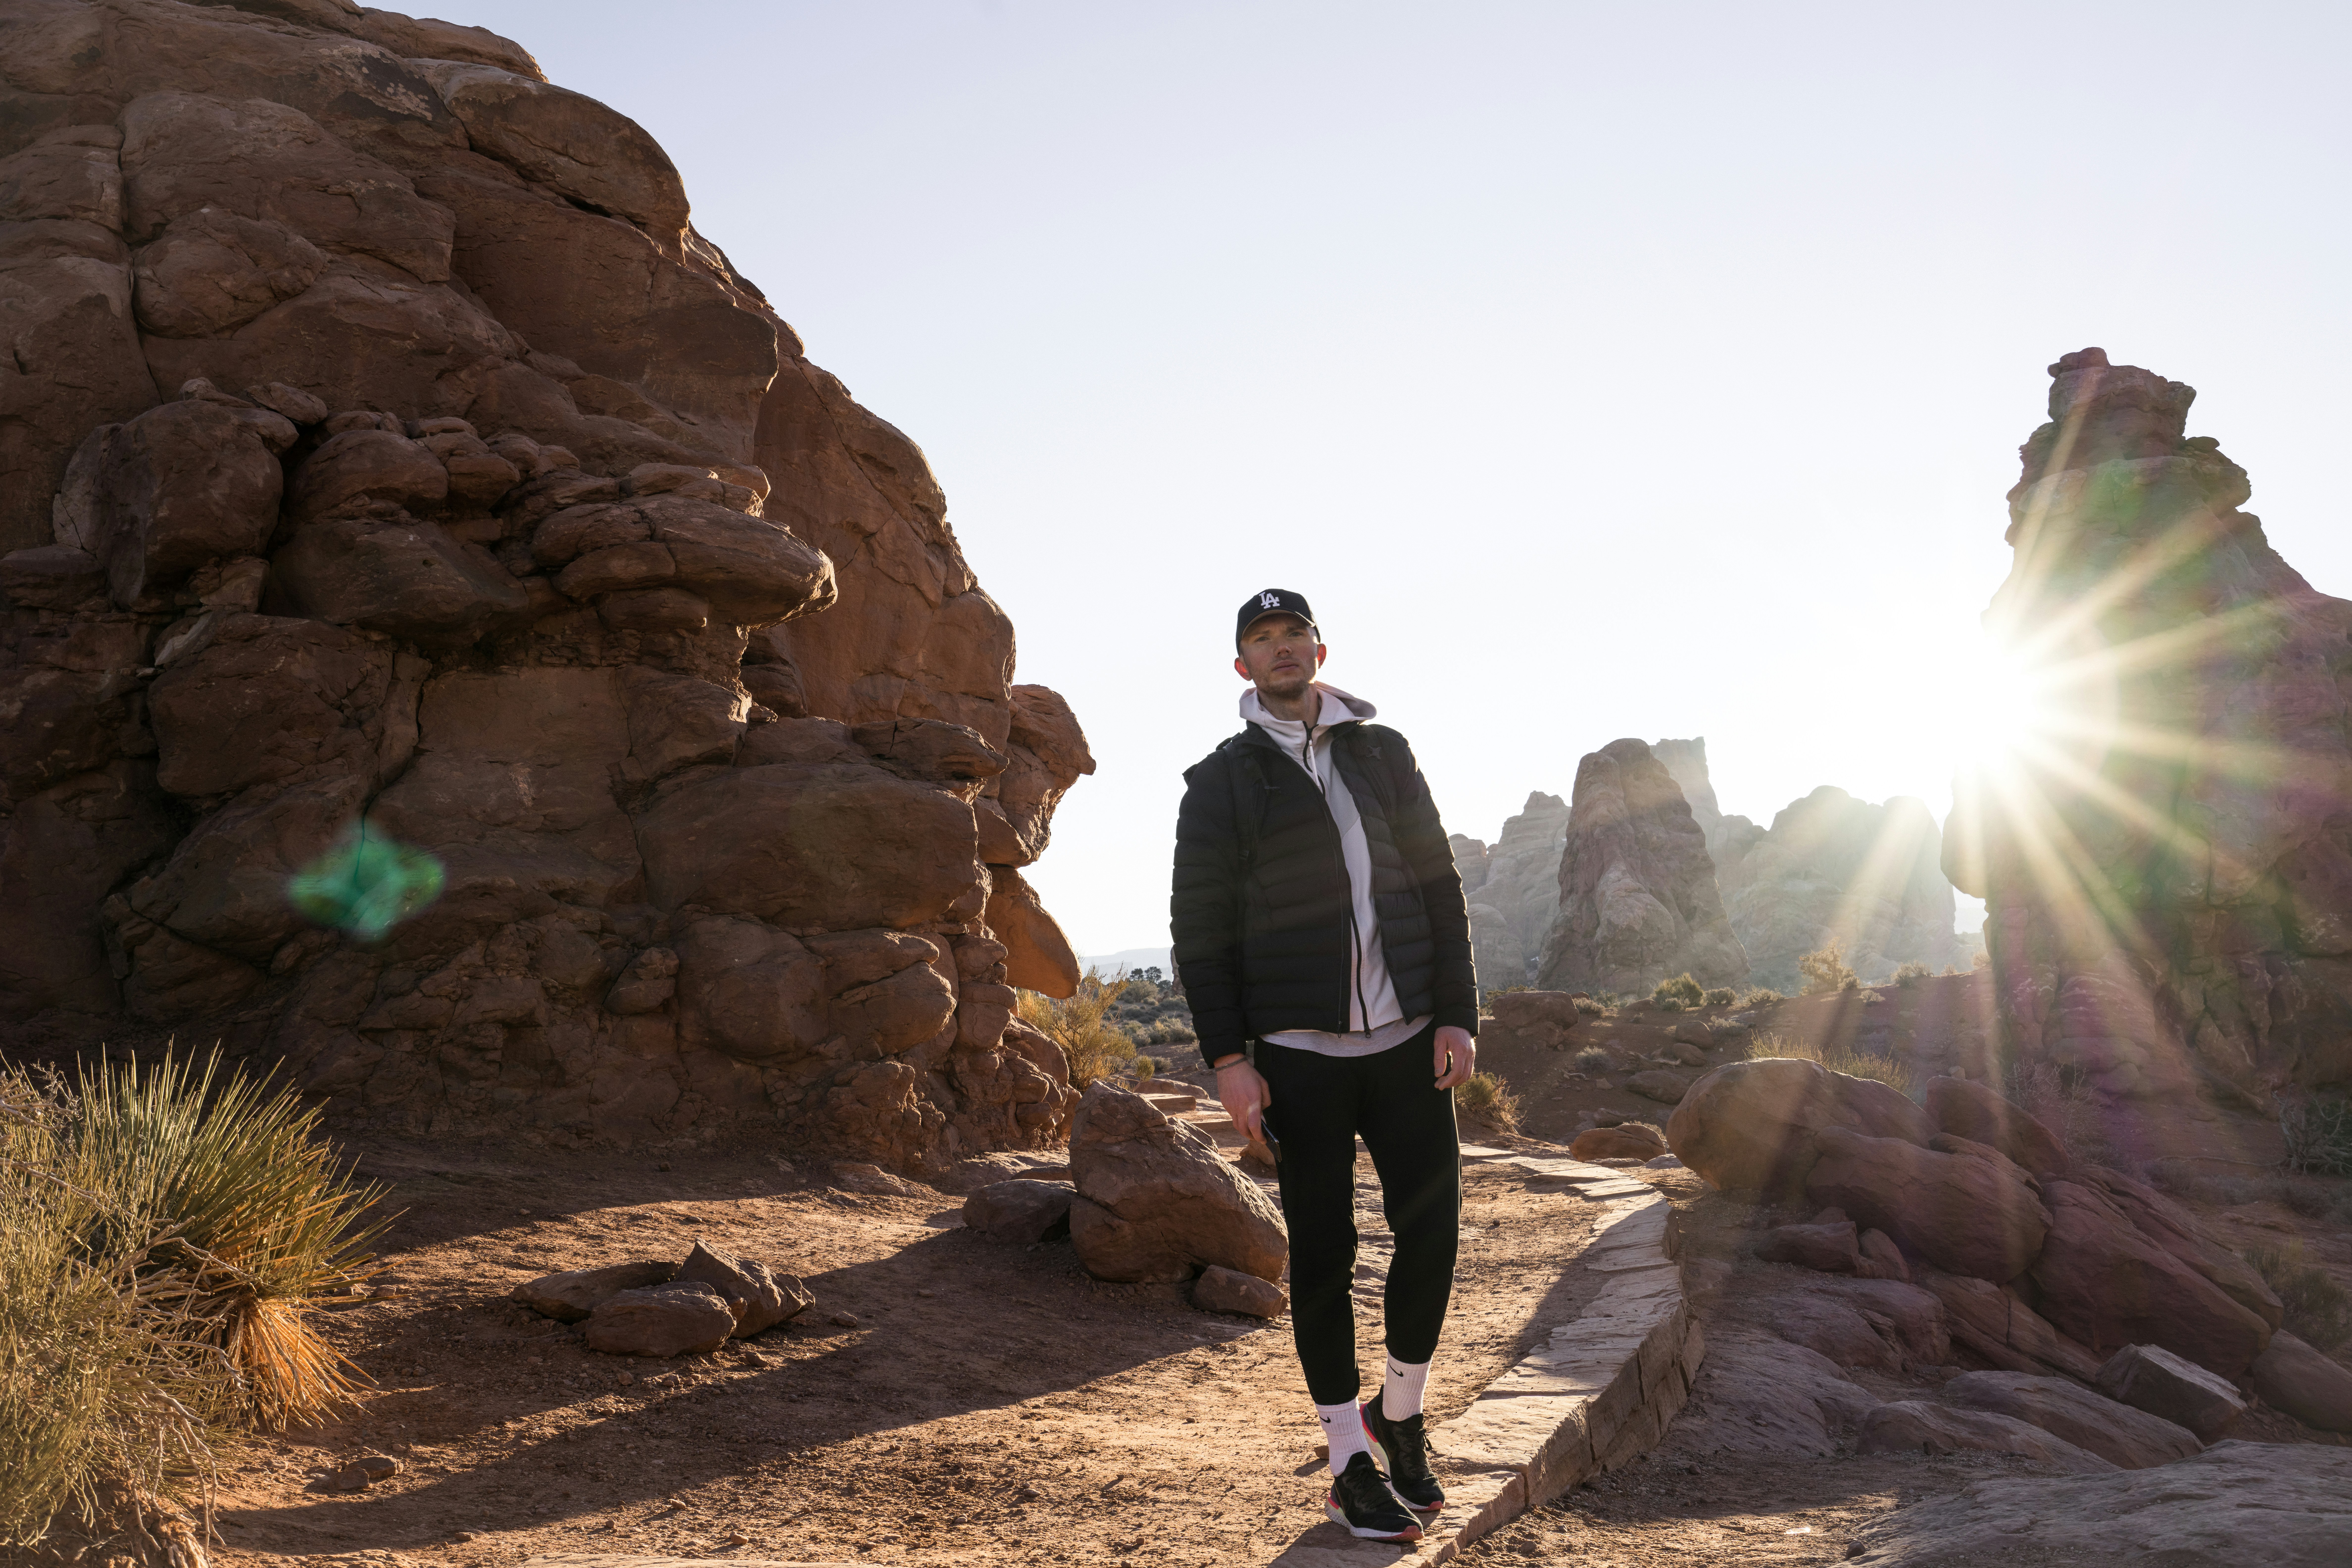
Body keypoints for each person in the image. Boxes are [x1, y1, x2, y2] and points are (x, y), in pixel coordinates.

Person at [1170, 589, 1479, 1543]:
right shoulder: (1219, 781)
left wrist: (1458, 1015)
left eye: (1292, 634)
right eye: (1260, 641)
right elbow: (1200, 930)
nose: (1280, 650)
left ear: (1318, 647)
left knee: (1431, 1238)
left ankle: (1403, 1412)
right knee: (1326, 1254)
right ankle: (1348, 1457)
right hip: (1299, 1057)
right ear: (1242, 668)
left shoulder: (1383, 752)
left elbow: (1439, 883)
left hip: (1406, 1041)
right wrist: (1230, 1059)